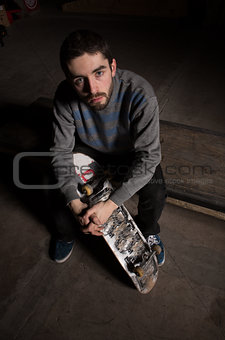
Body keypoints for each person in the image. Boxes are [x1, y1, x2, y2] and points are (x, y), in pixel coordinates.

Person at [50, 29, 167, 266]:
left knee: (155, 188)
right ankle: (66, 233)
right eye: (79, 80)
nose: (92, 89)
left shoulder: (140, 94)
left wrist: (110, 206)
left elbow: (149, 158)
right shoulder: (64, 96)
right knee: (52, 185)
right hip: (88, 147)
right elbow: (60, 152)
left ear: (113, 67)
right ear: (68, 80)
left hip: (128, 152)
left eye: (99, 73)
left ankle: (147, 230)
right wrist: (75, 203)